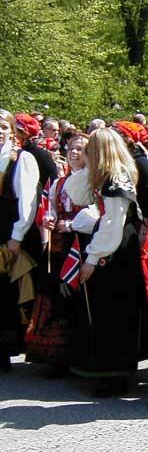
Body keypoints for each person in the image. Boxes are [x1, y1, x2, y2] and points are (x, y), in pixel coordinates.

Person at [70, 128, 148, 396]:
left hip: (115, 246)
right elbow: (76, 194)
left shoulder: (117, 179)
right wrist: (83, 168)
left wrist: (93, 257)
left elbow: (112, 223)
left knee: (114, 308)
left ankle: (115, 373)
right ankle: (107, 369)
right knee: (107, 307)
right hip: (112, 241)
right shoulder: (105, 176)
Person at [25, 134, 92, 372]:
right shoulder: (58, 182)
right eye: (72, 148)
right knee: (55, 291)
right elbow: (49, 208)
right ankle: (56, 354)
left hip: (80, 241)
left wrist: (72, 223)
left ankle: (78, 352)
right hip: (59, 243)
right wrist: (50, 218)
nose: (74, 153)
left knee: (74, 292)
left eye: (80, 149)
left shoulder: (91, 181)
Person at [0, 113, 41, 372]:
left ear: (13, 131)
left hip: (6, 232)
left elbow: (27, 202)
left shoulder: (21, 159)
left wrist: (17, 236)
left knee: (4, 294)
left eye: (2, 127)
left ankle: (3, 352)